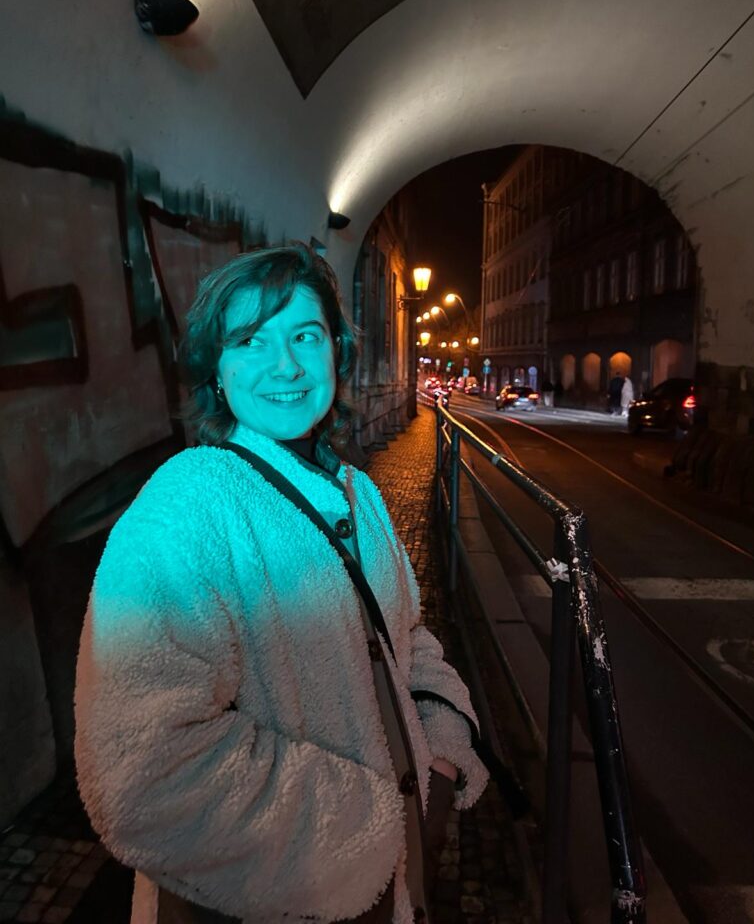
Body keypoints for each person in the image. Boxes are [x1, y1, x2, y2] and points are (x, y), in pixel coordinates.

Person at [74, 244, 488, 924]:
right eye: (250, 341)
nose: (287, 365)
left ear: (335, 352)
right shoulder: (188, 507)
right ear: (217, 371)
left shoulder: (355, 491)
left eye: (305, 336)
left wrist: (440, 747)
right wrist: (371, 825)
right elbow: (141, 777)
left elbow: (404, 632)